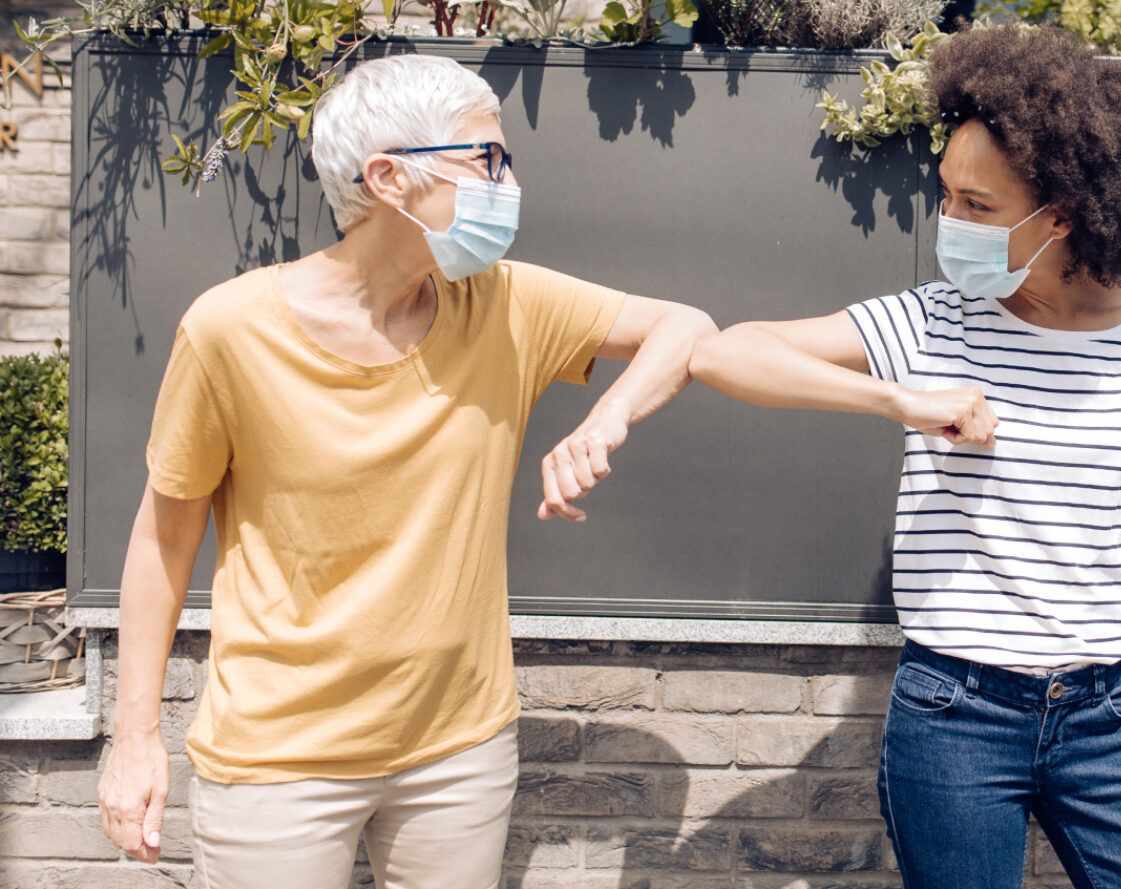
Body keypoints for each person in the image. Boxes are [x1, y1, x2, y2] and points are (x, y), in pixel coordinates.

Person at [96, 53, 716, 888]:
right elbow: (164, 540)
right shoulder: (229, 331)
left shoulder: (505, 303)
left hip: (458, 753)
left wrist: (605, 418)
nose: (509, 182)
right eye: (485, 161)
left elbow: (685, 326)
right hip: (280, 759)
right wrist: (134, 739)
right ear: (387, 178)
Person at [690, 23, 1121, 887]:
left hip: (1112, 716)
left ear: (1062, 213)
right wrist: (903, 399)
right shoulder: (933, 322)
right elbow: (726, 353)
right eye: (946, 192)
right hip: (954, 713)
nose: (947, 219)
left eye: (977, 206)